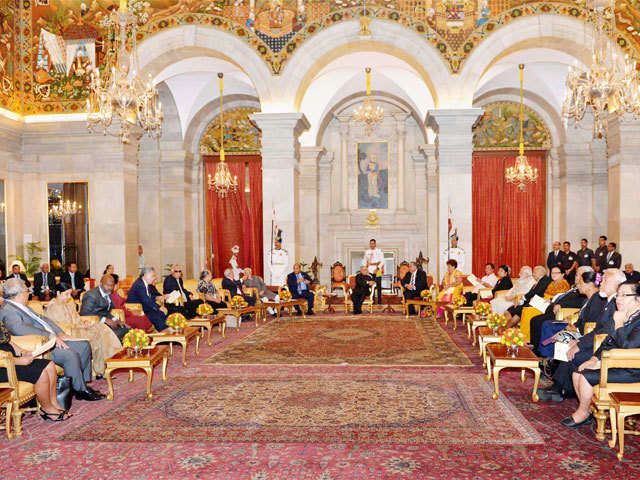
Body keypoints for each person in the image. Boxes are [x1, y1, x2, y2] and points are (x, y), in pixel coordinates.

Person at [0, 278, 103, 401]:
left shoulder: (22, 306)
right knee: (70, 355)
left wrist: (59, 333)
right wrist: (49, 336)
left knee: (84, 345)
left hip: (51, 338)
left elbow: (44, 320)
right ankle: (80, 389)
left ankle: (80, 385)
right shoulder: (9, 310)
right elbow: (20, 329)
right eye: (27, 291)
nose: (29, 294)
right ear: (18, 294)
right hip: (40, 344)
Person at [562, 281, 640, 428]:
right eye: (618, 295)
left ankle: (582, 413)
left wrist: (619, 324)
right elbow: (606, 342)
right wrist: (593, 358)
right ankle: (588, 411)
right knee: (577, 372)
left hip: (633, 369)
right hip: (616, 363)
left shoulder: (632, 320)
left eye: (624, 295)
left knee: (585, 376)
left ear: (638, 299)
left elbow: (627, 347)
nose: (618, 299)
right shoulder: (623, 316)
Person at [545, 268, 626, 401]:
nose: (600, 283)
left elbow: (606, 333)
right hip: (596, 340)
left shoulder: (616, 304)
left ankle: (564, 389)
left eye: (605, 280)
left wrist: (580, 343)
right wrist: (579, 342)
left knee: (574, 354)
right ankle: (560, 386)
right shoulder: (609, 302)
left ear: (618, 285)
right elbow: (597, 329)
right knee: (570, 347)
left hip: (605, 346)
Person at [0, 320, 71, 421]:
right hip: (3, 365)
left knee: (49, 365)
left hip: (12, 359)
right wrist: (18, 360)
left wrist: (22, 352)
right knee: (40, 373)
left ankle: (54, 403)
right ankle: (47, 409)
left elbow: (8, 340)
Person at [48, 288, 122, 378]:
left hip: (79, 328)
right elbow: (60, 327)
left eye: (69, 294)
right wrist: (80, 326)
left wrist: (84, 323)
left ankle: (103, 367)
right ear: (58, 293)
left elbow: (77, 318)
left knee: (101, 328)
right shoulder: (53, 307)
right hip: (70, 334)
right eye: (66, 294)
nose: (68, 297)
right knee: (96, 335)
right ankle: (102, 367)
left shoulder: (68, 303)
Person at [536, 270, 604, 365]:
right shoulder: (589, 299)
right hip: (577, 327)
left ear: (589, 285)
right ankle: (547, 357)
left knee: (552, 329)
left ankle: (550, 360)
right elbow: (582, 313)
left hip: (584, 334)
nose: (578, 285)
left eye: (580, 283)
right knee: (549, 324)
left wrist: (574, 328)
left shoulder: (597, 300)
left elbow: (590, 323)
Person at [529, 266, 591, 355]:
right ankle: (536, 346)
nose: (576, 277)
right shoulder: (574, 287)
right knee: (535, 319)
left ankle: (544, 353)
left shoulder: (584, 291)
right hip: (555, 309)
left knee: (544, 323)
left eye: (579, 275)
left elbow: (578, 302)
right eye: (576, 274)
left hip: (563, 313)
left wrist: (562, 305)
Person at [80, 275, 130, 341]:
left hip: (105, 323)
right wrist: (105, 320)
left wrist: (116, 320)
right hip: (94, 325)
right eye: (107, 285)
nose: (110, 288)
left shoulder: (107, 293)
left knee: (126, 329)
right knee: (116, 334)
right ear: (101, 284)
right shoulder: (91, 295)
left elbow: (107, 312)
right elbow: (85, 314)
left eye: (112, 285)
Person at [126, 266, 168, 331]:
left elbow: (148, 297)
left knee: (161, 313)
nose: (155, 278)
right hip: (137, 310)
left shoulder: (143, 283)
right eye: (153, 276)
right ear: (145, 275)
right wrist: (159, 307)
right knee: (157, 315)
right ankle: (164, 336)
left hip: (144, 307)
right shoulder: (140, 284)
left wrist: (158, 298)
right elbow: (147, 300)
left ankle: (166, 334)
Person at [364, 239, 384, 304]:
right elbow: (365, 261)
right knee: (370, 285)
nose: (372, 245)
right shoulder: (367, 251)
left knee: (378, 286)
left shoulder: (379, 251)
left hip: (378, 270)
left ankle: (379, 301)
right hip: (370, 271)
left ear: (375, 244)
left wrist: (378, 268)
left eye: (373, 243)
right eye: (371, 243)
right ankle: (371, 301)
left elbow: (382, 261)